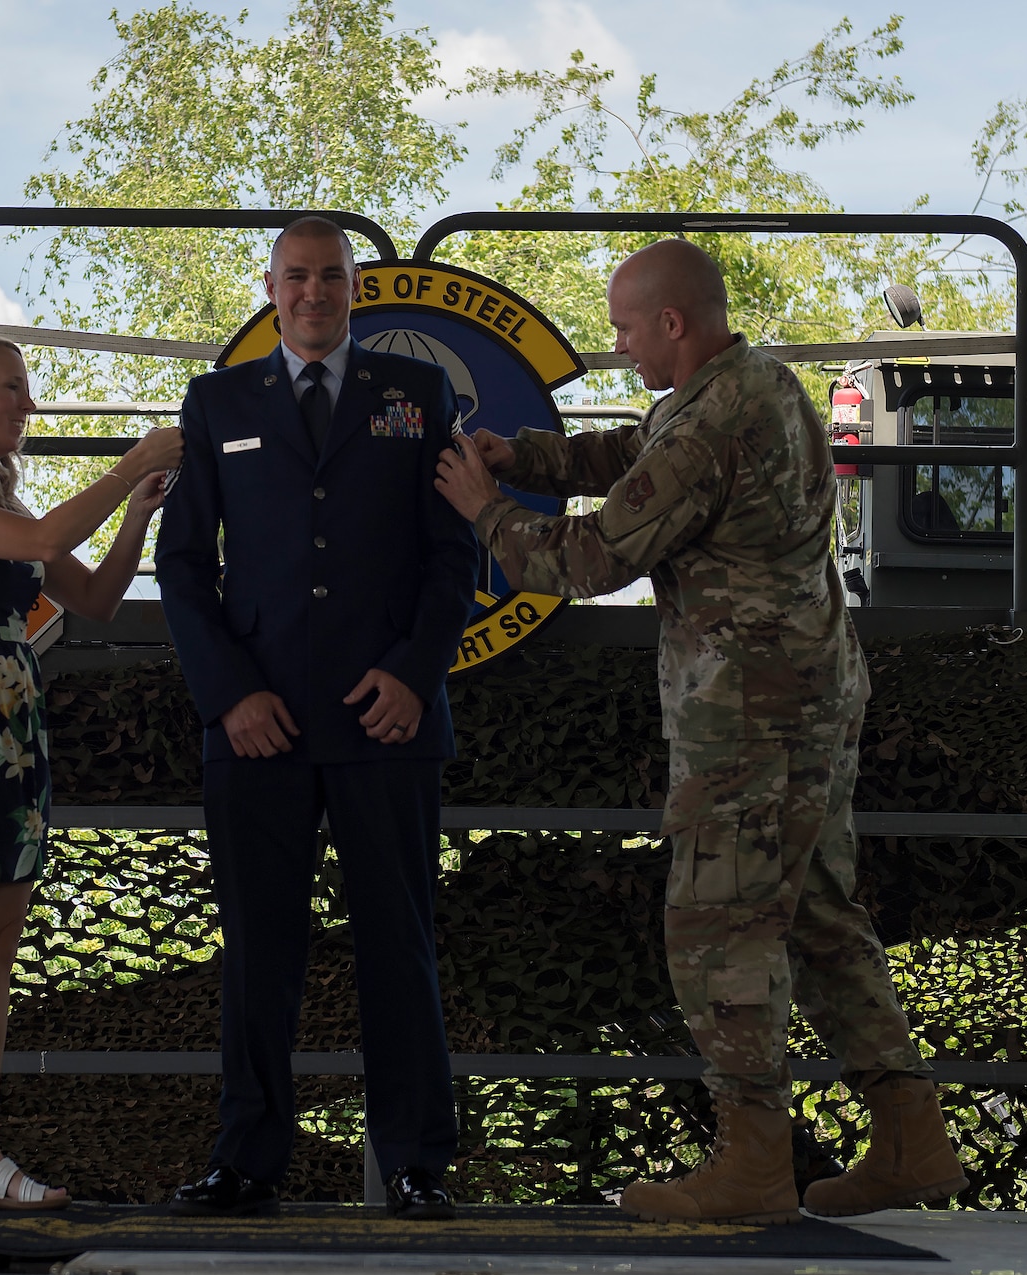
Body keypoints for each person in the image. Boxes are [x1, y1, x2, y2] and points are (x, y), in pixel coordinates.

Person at [433, 239, 967, 1224]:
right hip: (810, 692)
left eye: (627, 329)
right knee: (814, 915)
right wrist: (536, 457)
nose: (620, 345)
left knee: (716, 925)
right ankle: (908, 1136)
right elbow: (639, 458)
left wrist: (487, 511)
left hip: (747, 714)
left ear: (671, 324)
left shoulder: (714, 420)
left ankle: (754, 1163)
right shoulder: (752, 385)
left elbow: (592, 556)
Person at [155, 216, 481, 1219]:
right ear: (269, 285)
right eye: (294, 277)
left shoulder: (415, 393)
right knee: (258, 950)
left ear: (354, 287)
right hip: (258, 728)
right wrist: (228, 694)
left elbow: (450, 552)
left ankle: (418, 1161)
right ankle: (246, 1161)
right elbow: (181, 564)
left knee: (400, 942)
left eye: (330, 277)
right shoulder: (217, 402)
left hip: (384, 720)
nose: (311, 293)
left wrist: (413, 675)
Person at [0, 331, 181, 1210]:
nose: (27, 404)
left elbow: (93, 599)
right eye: (10, 389)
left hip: (12, 730)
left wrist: (137, 514)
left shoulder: (6, 511)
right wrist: (130, 465)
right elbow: (51, 534)